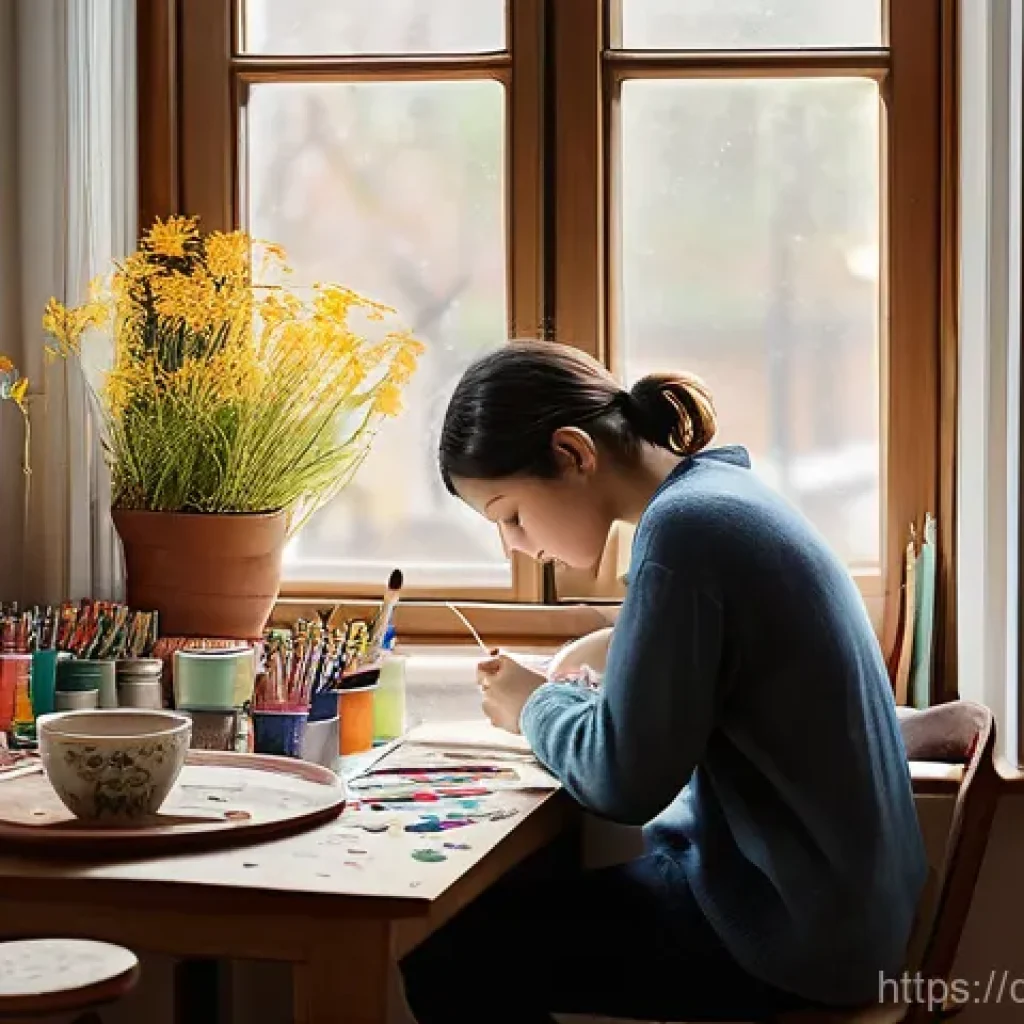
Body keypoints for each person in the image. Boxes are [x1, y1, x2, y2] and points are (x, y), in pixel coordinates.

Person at [399, 341, 927, 1024]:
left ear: (572, 453)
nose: (515, 546)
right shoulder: (721, 497)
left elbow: (624, 783)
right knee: (522, 905)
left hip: (794, 935)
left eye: (509, 515)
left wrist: (535, 704)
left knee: (447, 952)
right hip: (842, 911)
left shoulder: (685, 533)